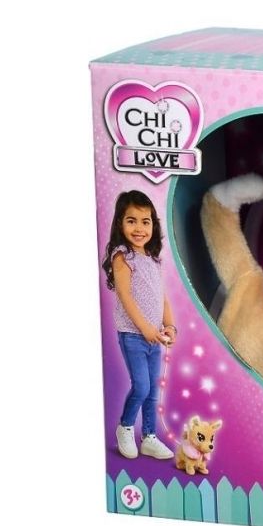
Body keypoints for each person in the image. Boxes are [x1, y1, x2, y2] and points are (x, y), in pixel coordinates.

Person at [101, 190, 176, 459]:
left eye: (146, 221)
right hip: (133, 335)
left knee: (153, 391)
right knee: (141, 386)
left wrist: (170, 326)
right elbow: (124, 295)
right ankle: (125, 427)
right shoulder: (122, 255)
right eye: (131, 221)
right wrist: (145, 328)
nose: (139, 228)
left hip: (154, 337)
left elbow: (162, 297)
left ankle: (149, 437)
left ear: (154, 225)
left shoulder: (153, 259)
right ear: (120, 223)